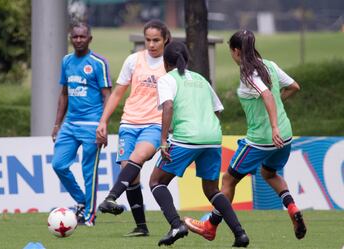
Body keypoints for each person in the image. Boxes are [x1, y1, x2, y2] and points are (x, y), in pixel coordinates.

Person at [184, 30, 306, 241]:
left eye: (231, 51)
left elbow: (267, 95)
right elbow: (294, 86)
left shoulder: (248, 73)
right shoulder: (270, 64)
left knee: (228, 179)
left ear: (236, 51)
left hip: (263, 139)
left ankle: (210, 226)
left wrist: (273, 125)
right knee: (269, 174)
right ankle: (292, 207)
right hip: (286, 136)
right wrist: (278, 111)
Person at [149, 41, 250, 247]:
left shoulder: (167, 79)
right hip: (212, 138)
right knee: (212, 190)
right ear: (187, 59)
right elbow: (218, 110)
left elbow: (168, 106)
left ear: (166, 62)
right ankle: (240, 234)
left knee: (156, 182)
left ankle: (176, 225)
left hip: (187, 138)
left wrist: (163, 141)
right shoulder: (201, 80)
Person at [96, 19, 171, 237]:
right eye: (148, 40)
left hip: (155, 125)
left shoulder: (170, 62)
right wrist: (103, 121)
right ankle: (141, 227)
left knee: (137, 157)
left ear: (165, 39)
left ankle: (110, 197)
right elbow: (118, 93)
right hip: (129, 123)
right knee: (130, 174)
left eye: (156, 40)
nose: (151, 44)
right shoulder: (133, 60)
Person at [51, 22, 112, 227]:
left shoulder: (98, 62)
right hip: (69, 124)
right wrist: (57, 124)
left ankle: (89, 216)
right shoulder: (66, 61)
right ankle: (82, 201)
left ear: (90, 39)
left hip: (92, 125)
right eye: (75, 37)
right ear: (70, 38)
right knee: (58, 165)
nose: (78, 40)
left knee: (89, 171)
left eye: (82, 37)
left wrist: (103, 125)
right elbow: (64, 94)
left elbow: (107, 96)